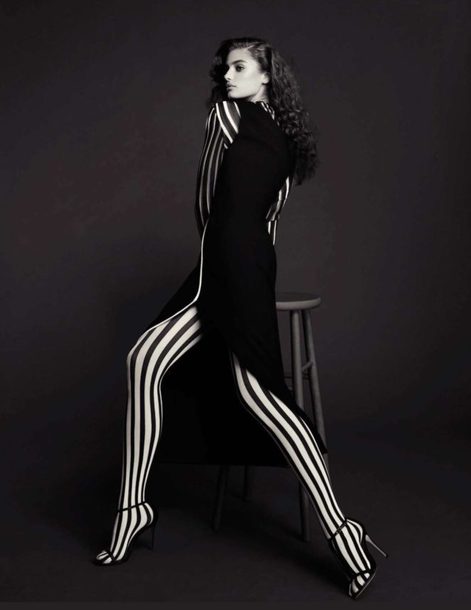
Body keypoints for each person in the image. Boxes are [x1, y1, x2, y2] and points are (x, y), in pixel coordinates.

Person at [93, 37, 388, 600]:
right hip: (248, 262)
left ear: (266, 75)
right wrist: (244, 263)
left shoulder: (227, 117)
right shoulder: (284, 141)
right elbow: (271, 218)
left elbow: (204, 202)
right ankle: (133, 508)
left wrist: (225, 258)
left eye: (239, 67)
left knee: (260, 396)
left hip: (228, 264)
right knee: (146, 359)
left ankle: (342, 529)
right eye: (225, 69)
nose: (227, 77)